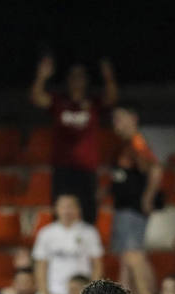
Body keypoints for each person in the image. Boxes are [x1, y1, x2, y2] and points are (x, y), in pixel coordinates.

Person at [29, 54, 118, 224]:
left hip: (87, 169)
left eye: (81, 76)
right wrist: (41, 76)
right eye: (73, 76)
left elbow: (112, 98)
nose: (77, 79)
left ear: (86, 81)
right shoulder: (59, 102)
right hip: (63, 169)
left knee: (88, 214)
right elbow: (36, 97)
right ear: (68, 80)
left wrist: (108, 77)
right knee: (61, 214)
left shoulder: (93, 103)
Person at [110, 103, 163, 294]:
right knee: (127, 257)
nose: (117, 124)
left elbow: (155, 170)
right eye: (115, 120)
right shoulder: (124, 144)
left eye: (121, 118)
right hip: (124, 208)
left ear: (133, 118)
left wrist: (147, 198)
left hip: (133, 209)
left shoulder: (137, 142)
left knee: (134, 255)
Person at [32, 194, 103, 294]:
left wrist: (92, 293)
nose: (67, 211)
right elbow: (41, 266)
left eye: (70, 206)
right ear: (56, 209)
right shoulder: (46, 233)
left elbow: (97, 264)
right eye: (63, 207)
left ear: (78, 209)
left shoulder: (89, 232)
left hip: (81, 292)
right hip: (54, 292)